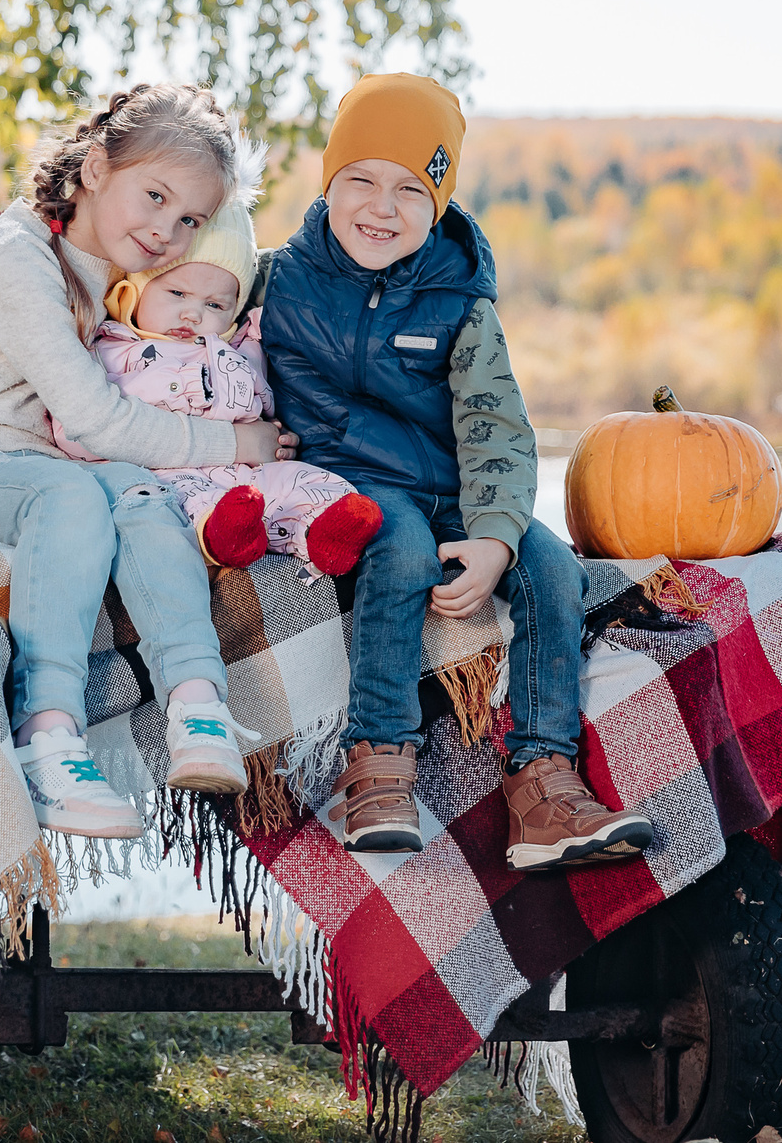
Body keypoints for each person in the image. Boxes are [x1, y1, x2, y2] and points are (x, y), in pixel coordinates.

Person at [258, 73, 656, 870]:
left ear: (438, 203)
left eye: (412, 188)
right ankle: (377, 761)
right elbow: (195, 343)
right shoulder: (277, 278)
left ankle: (544, 779)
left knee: (550, 564)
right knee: (398, 545)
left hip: (454, 488)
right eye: (361, 179)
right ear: (327, 180)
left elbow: (496, 428)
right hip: (347, 483)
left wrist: (498, 538)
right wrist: (241, 436)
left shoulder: (461, 302)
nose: (383, 206)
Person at [0, 83, 287, 841]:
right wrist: (235, 444)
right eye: (155, 195)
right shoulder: (17, 257)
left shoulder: (118, 276)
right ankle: (47, 737)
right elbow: (96, 415)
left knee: (133, 491)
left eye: (190, 217)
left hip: (39, 469)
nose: (168, 229)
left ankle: (197, 702)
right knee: (72, 496)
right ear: (96, 166)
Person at [52, 198, 385, 577]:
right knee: (189, 500)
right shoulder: (113, 348)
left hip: (245, 468)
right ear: (134, 293)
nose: (192, 314)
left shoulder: (245, 345)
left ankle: (324, 533)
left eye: (214, 305)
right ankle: (221, 538)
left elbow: (276, 398)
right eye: (176, 294)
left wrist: (280, 435)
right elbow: (75, 429)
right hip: (166, 471)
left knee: (306, 482)